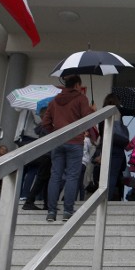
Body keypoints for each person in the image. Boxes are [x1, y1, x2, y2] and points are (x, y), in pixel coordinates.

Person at [40, 75, 95, 222]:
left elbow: (45, 123)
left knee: (55, 176)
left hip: (58, 142)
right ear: (77, 85)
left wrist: (56, 133)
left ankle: (51, 212)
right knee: (72, 177)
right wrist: (93, 112)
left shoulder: (54, 101)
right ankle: (67, 212)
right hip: (75, 142)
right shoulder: (81, 99)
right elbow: (87, 119)